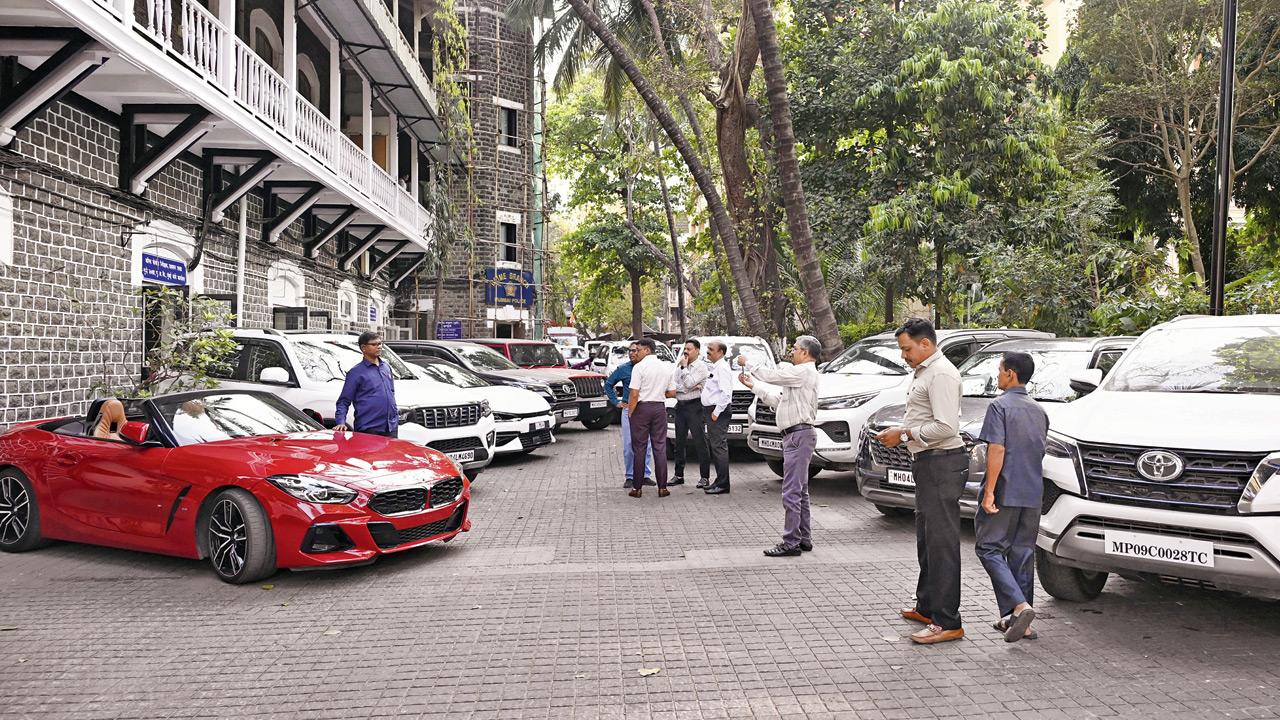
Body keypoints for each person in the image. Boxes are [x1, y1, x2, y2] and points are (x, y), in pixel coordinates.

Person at [875, 317, 966, 645]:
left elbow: (946, 427)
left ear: (925, 344)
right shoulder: (925, 372)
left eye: (907, 349)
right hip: (928, 463)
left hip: (942, 463)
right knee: (927, 539)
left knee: (941, 544)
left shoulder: (940, 373)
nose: (904, 355)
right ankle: (928, 606)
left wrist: (904, 434)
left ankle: (947, 621)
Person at [975, 352, 1048, 643]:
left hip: (1006, 488)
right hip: (1032, 490)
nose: (998, 375)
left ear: (1012, 374)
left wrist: (990, 490)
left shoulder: (999, 406)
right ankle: (1022, 624)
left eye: (1000, 370)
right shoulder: (1039, 410)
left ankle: (1019, 607)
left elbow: (997, 450)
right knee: (1022, 553)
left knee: (989, 548)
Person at [738, 335, 821, 555]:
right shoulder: (800, 376)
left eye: (794, 348)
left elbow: (772, 376)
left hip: (798, 435)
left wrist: (749, 363)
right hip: (797, 435)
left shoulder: (803, 371)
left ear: (805, 352)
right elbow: (778, 400)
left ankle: (791, 542)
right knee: (799, 490)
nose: (791, 352)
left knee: (791, 491)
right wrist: (753, 385)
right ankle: (803, 538)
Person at [626, 338, 674, 498]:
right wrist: (659, 392)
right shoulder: (666, 367)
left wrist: (630, 412)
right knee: (660, 447)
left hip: (642, 408)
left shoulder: (639, 368)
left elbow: (634, 393)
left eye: (638, 350)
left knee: (639, 448)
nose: (635, 353)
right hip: (659, 408)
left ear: (647, 350)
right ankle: (663, 487)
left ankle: (637, 488)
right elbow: (672, 393)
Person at [605, 343, 654, 488]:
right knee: (629, 444)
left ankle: (645, 475)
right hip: (628, 410)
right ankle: (630, 476)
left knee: (648, 444)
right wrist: (616, 402)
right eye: (630, 351)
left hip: (644, 408)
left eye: (635, 350)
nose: (632, 353)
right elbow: (608, 384)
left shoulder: (648, 368)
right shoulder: (623, 369)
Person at [335, 331, 399, 437]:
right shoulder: (356, 372)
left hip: (390, 426)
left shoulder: (386, 367)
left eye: (380, 344)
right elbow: (344, 401)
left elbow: (391, 392)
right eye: (374, 344)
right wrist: (341, 422)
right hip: (369, 428)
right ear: (363, 348)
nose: (378, 347)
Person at [666, 339, 708, 487]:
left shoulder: (701, 367)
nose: (685, 352)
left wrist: (685, 374)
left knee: (700, 442)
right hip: (680, 406)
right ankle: (678, 475)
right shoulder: (680, 366)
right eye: (685, 349)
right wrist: (687, 385)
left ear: (697, 350)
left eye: (689, 349)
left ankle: (704, 477)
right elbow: (674, 385)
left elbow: (688, 383)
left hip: (695, 407)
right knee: (679, 442)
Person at [700, 340, 735, 495]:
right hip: (712, 410)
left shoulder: (723, 368)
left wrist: (716, 412)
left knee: (719, 447)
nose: (708, 352)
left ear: (720, 352)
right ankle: (719, 480)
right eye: (708, 349)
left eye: (711, 350)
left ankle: (723, 484)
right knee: (715, 446)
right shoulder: (716, 367)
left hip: (718, 412)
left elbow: (726, 393)